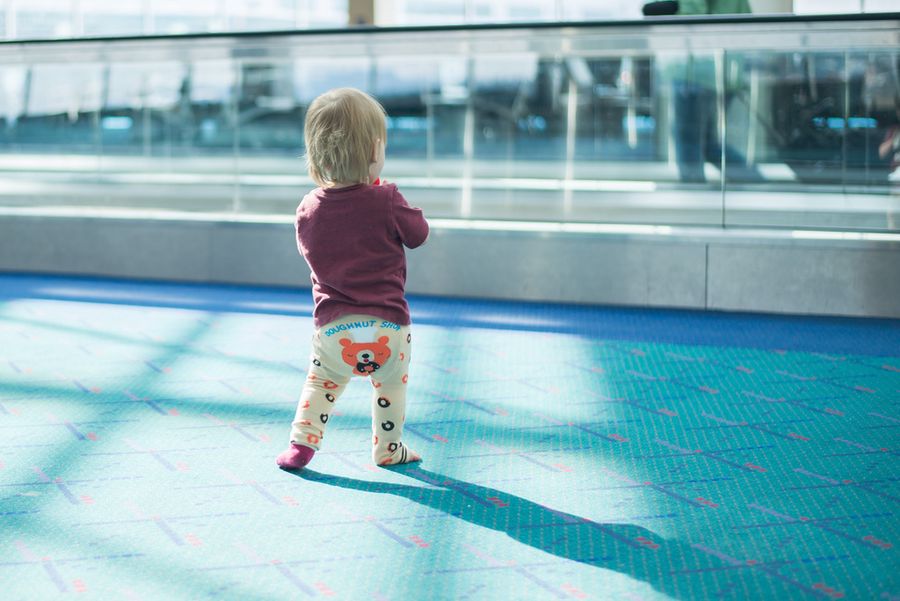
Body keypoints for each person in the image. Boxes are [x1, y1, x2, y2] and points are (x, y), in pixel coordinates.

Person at [276, 88, 429, 470]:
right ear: (376, 151)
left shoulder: (308, 207)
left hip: (333, 330)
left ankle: (301, 445)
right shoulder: (388, 199)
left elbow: (310, 250)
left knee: (320, 386)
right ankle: (388, 448)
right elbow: (419, 234)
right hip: (389, 327)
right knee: (390, 389)